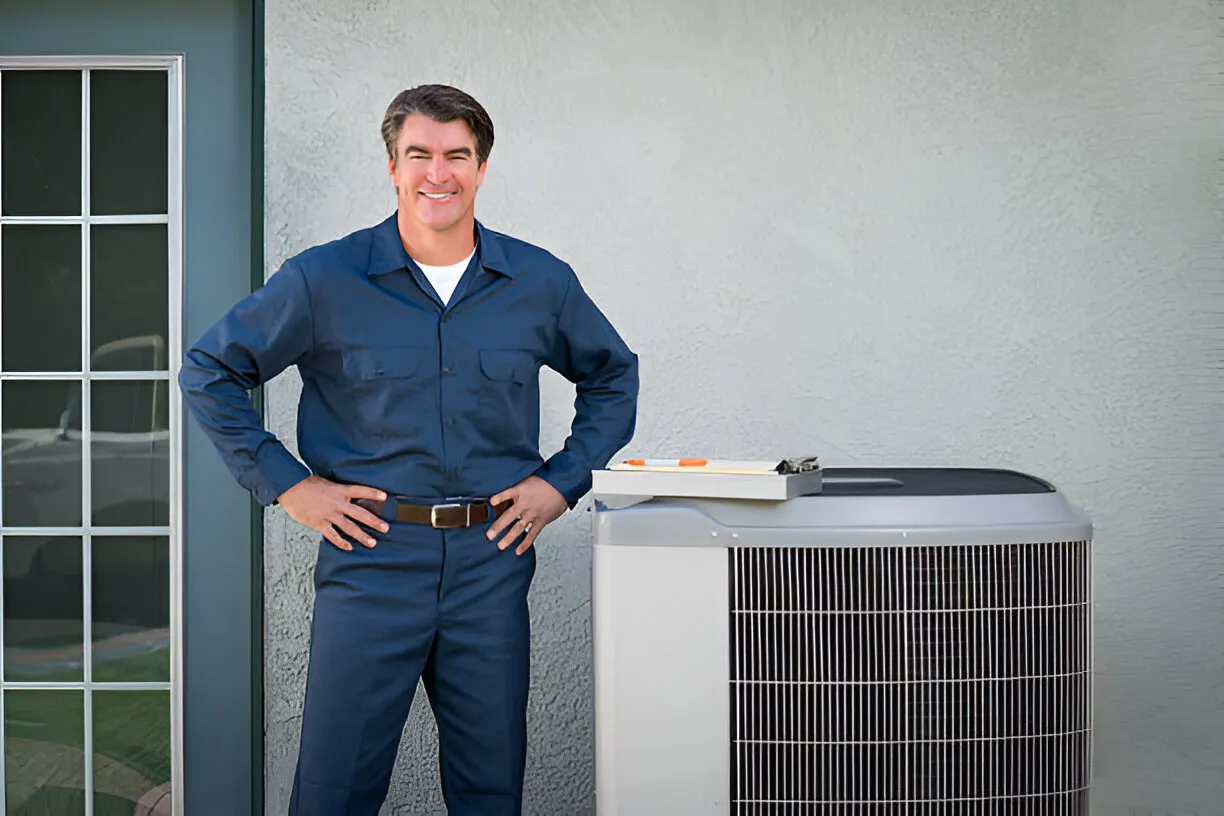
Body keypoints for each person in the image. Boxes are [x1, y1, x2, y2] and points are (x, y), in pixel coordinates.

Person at [178, 84, 639, 815]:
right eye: (419, 154)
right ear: (392, 166)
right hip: (371, 559)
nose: (438, 173)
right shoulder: (324, 279)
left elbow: (613, 375)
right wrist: (289, 485)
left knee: (491, 788)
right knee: (335, 789)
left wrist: (562, 482)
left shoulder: (538, 282)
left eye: (457, 155)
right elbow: (209, 370)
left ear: (482, 167)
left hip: (491, 559)